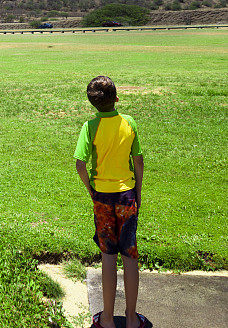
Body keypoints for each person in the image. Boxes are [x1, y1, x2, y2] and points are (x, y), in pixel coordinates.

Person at [74, 76, 146, 328]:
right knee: (130, 256)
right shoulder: (129, 123)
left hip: (102, 198)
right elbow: (138, 161)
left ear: (93, 103)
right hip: (126, 195)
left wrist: (91, 189)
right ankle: (131, 318)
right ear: (117, 98)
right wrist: (138, 191)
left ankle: (105, 318)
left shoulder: (90, 126)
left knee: (108, 256)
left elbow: (80, 164)